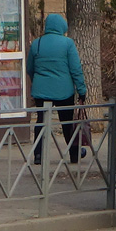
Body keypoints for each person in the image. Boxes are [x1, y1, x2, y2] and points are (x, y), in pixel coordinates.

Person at [27, 13, 87, 164]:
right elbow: (75, 69)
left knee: (41, 122)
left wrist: (38, 81)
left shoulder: (37, 43)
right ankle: (74, 153)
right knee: (67, 122)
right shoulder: (67, 43)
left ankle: (38, 155)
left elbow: (30, 68)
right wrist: (81, 90)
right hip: (64, 90)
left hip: (41, 91)